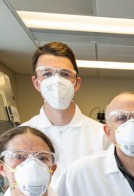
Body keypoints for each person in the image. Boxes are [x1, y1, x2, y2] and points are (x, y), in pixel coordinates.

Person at [22, 41, 110, 171]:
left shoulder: (103, 136)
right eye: (47, 74)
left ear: (76, 83)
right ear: (36, 83)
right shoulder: (21, 136)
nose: (56, 81)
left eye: (64, 74)